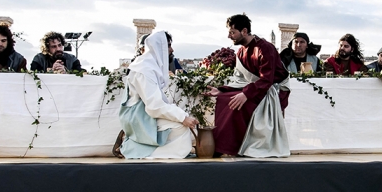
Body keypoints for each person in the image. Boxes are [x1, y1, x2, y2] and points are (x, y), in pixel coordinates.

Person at [204, 14, 291, 158]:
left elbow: (267, 80)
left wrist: (245, 94)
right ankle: (221, 146)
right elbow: (240, 79)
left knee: (235, 103)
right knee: (224, 99)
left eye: (232, 32)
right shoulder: (241, 51)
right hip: (253, 89)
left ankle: (229, 146)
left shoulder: (265, 48)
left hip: (270, 90)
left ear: (244, 31)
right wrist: (221, 90)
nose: (229, 36)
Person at [114, 30, 198, 159]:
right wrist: (182, 117)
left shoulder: (148, 65)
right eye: (168, 46)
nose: (171, 49)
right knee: (180, 127)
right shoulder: (144, 69)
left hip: (144, 113)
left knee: (183, 124)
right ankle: (130, 149)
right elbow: (154, 107)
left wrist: (182, 116)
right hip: (138, 116)